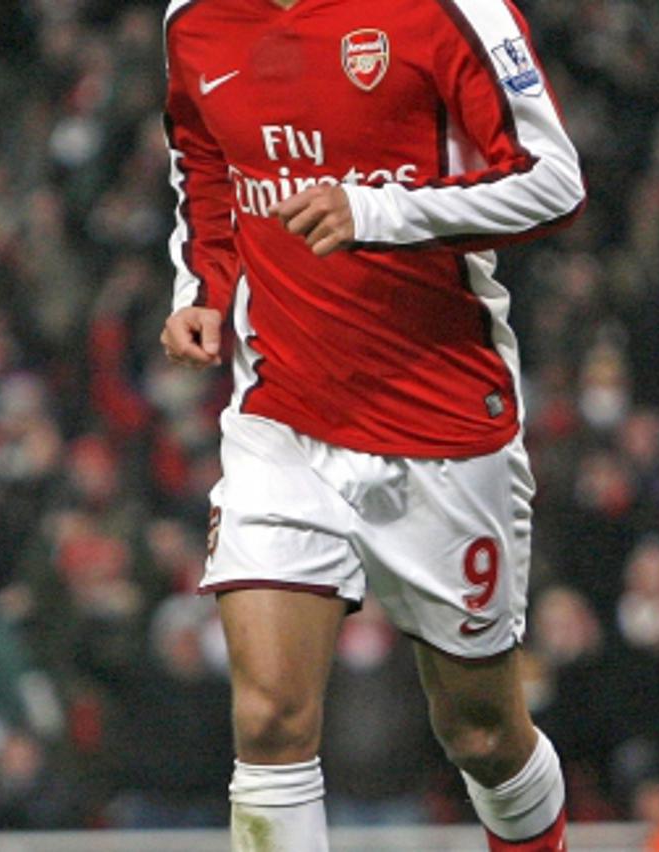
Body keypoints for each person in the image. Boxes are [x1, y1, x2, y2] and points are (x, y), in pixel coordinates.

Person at [159, 0, 585, 849]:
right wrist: (202, 288)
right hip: (281, 416)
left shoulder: (448, 11)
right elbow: (204, 162)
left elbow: (554, 180)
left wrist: (378, 214)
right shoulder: (194, 19)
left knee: (483, 736)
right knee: (272, 719)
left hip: (442, 420)